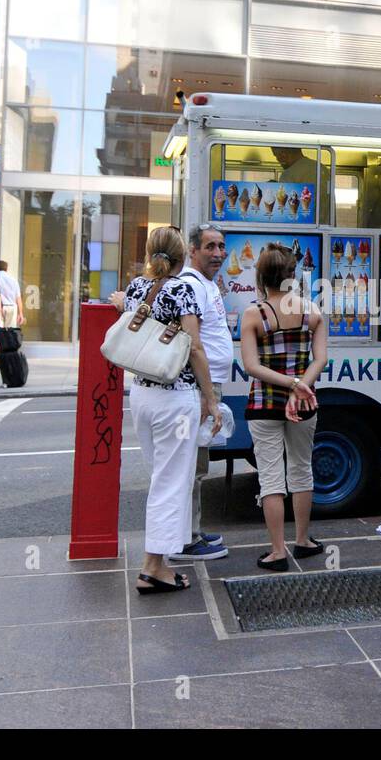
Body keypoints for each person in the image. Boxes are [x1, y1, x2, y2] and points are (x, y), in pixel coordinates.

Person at [122, 226, 218, 594]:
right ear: (182, 255)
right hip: (174, 398)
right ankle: (151, 567)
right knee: (170, 484)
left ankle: (160, 561)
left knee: (162, 480)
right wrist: (209, 397)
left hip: (142, 396)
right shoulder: (183, 290)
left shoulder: (135, 287)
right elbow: (194, 347)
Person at [240, 243, 329, 571]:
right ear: (293, 276)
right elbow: (320, 358)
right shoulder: (312, 311)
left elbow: (251, 366)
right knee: (302, 469)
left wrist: (288, 385)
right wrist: (299, 386)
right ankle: (303, 541)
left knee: (271, 478)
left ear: (261, 276)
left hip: (264, 403)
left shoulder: (254, 314)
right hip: (304, 404)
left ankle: (277, 552)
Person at [177, 224, 232, 559]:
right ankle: (183, 540)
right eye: (210, 247)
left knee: (198, 463)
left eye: (221, 246)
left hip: (207, 385)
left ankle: (192, 530)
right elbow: (193, 343)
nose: (218, 253)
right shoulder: (192, 285)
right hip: (199, 387)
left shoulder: (205, 284)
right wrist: (207, 393)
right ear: (192, 250)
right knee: (190, 465)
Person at [0, 259, 23, 329]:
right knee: (10, 332)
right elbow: (18, 298)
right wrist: (20, 313)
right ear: (6, 269)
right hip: (12, 308)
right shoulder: (13, 280)